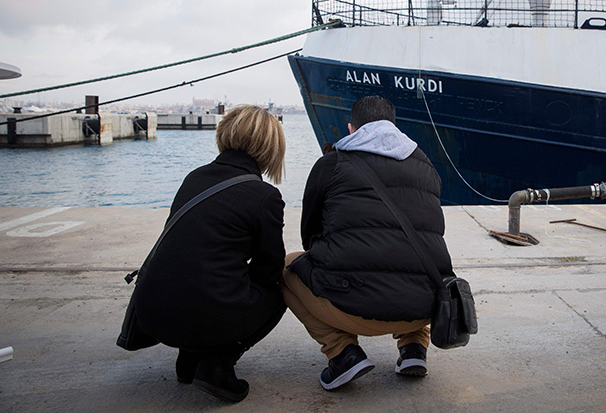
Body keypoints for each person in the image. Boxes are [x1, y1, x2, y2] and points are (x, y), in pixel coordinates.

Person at [281, 95, 454, 390]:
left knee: (286, 267)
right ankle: (414, 347)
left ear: (352, 129)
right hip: (425, 308)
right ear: (395, 128)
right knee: (417, 257)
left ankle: (342, 352)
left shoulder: (331, 164)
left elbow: (309, 236)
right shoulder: (425, 165)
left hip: (352, 308)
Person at [134, 105, 287, 402]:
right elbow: (270, 269)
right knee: (282, 288)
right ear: (271, 147)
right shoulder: (264, 196)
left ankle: (189, 359)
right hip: (203, 318)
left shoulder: (195, 177)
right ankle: (218, 362)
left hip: (151, 315)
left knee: (199, 272)